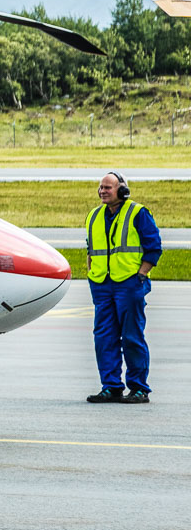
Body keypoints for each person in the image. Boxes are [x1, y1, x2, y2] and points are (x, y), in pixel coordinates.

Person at [84, 171, 162, 404]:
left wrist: (141, 275)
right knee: (104, 337)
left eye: (108, 187)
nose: (102, 191)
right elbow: (90, 250)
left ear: (122, 190)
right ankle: (111, 386)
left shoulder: (138, 212)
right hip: (101, 284)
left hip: (129, 283)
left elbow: (153, 247)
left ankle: (139, 388)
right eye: (101, 187)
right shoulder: (94, 215)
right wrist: (91, 274)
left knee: (131, 336)